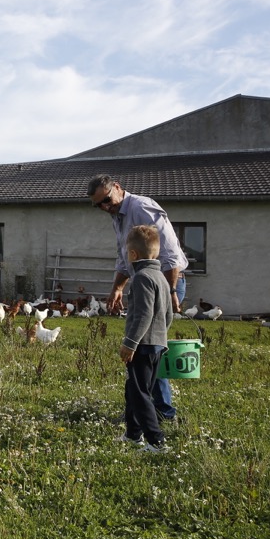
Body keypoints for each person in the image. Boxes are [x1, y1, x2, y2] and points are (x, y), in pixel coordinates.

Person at [87, 174, 188, 421]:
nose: (105, 207)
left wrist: (171, 290)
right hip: (144, 284)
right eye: (99, 205)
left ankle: (158, 412)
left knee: (148, 351)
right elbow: (125, 259)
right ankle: (148, 411)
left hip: (163, 283)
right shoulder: (118, 216)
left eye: (107, 200)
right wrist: (118, 289)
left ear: (118, 188)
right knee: (148, 351)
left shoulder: (141, 207)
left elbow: (170, 252)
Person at [118, 224, 173, 452]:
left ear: (133, 254)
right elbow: (168, 314)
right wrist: (162, 338)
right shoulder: (161, 278)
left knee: (140, 394)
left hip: (142, 345)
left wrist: (130, 343)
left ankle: (156, 441)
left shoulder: (141, 278)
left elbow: (143, 315)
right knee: (135, 388)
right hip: (157, 343)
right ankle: (133, 434)